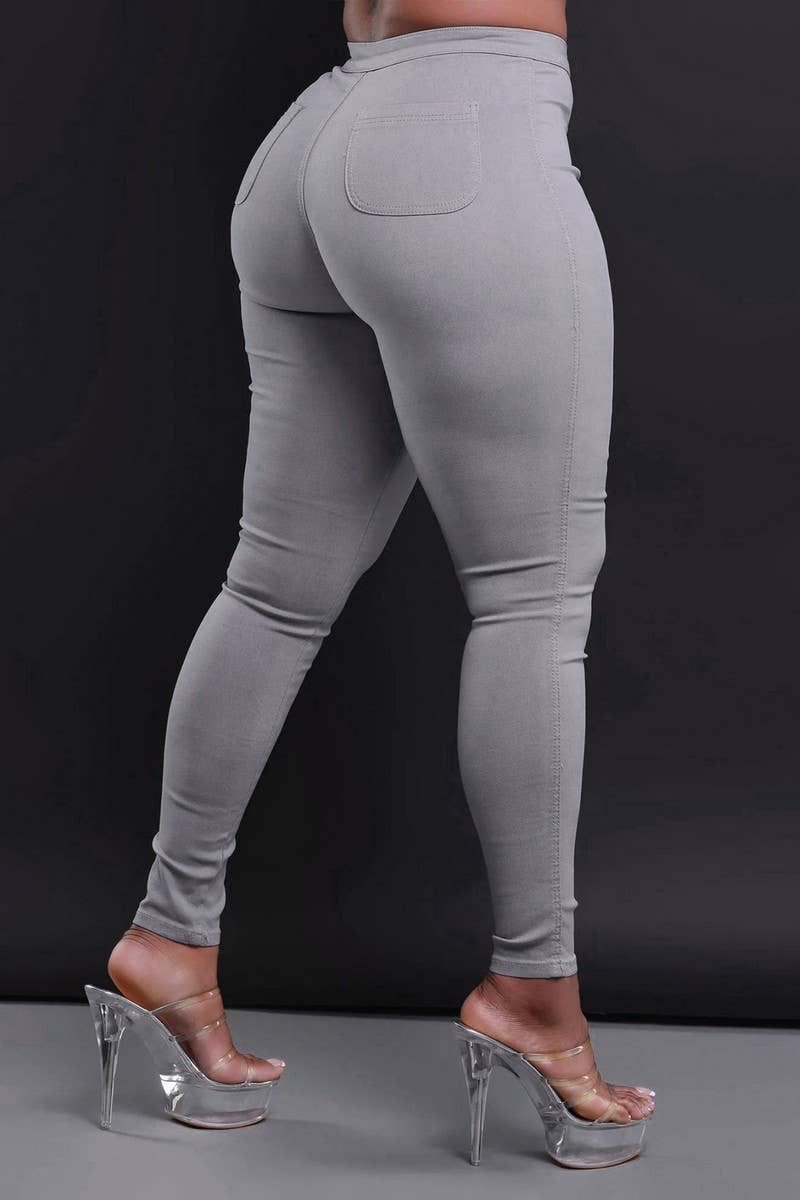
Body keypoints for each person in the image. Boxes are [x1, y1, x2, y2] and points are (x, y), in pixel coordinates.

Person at [90, 0, 656, 1163]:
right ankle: (534, 995)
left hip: (319, 140)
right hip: (466, 138)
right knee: (531, 595)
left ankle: (168, 938)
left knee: (272, 588)